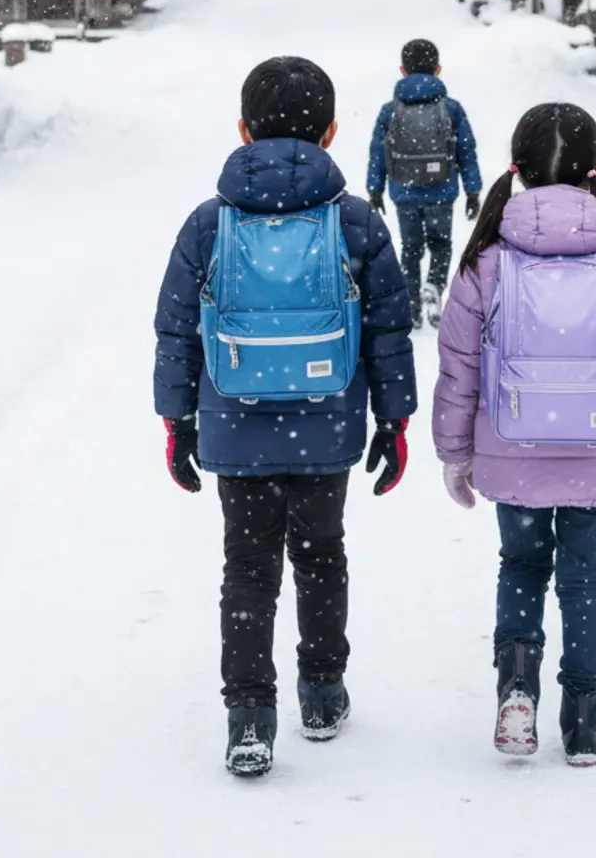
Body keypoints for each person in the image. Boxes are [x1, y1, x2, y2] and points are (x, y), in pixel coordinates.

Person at [153, 56, 417, 778]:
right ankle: (323, 691)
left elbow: (176, 331)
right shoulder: (356, 222)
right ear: (331, 132)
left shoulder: (209, 223)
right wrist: (393, 422)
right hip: (326, 423)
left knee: (248, 566)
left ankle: (248, 713)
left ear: (242, 129)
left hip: (235, 422)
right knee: (321, 556)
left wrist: (178, 422)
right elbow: (389, 330)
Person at [433, 103, 596, 766]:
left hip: (513, 448)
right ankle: (585, 717)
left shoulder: (486, 261)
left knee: (520, 565)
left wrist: (457, 453)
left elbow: (458, 369)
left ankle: (517, 690)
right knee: (586, 579)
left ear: (515, 170)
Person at [367, 39, 482, 330]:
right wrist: (472, 190)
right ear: (438, 70)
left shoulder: (390, 110)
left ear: (402, 70)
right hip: (441, 190)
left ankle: (412, 302)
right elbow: (466, 151)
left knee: (410, 247)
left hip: (403, 191)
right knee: (441, 244)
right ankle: (434, 285)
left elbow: (378, 152)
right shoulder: (451, 109)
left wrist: (375, 189)